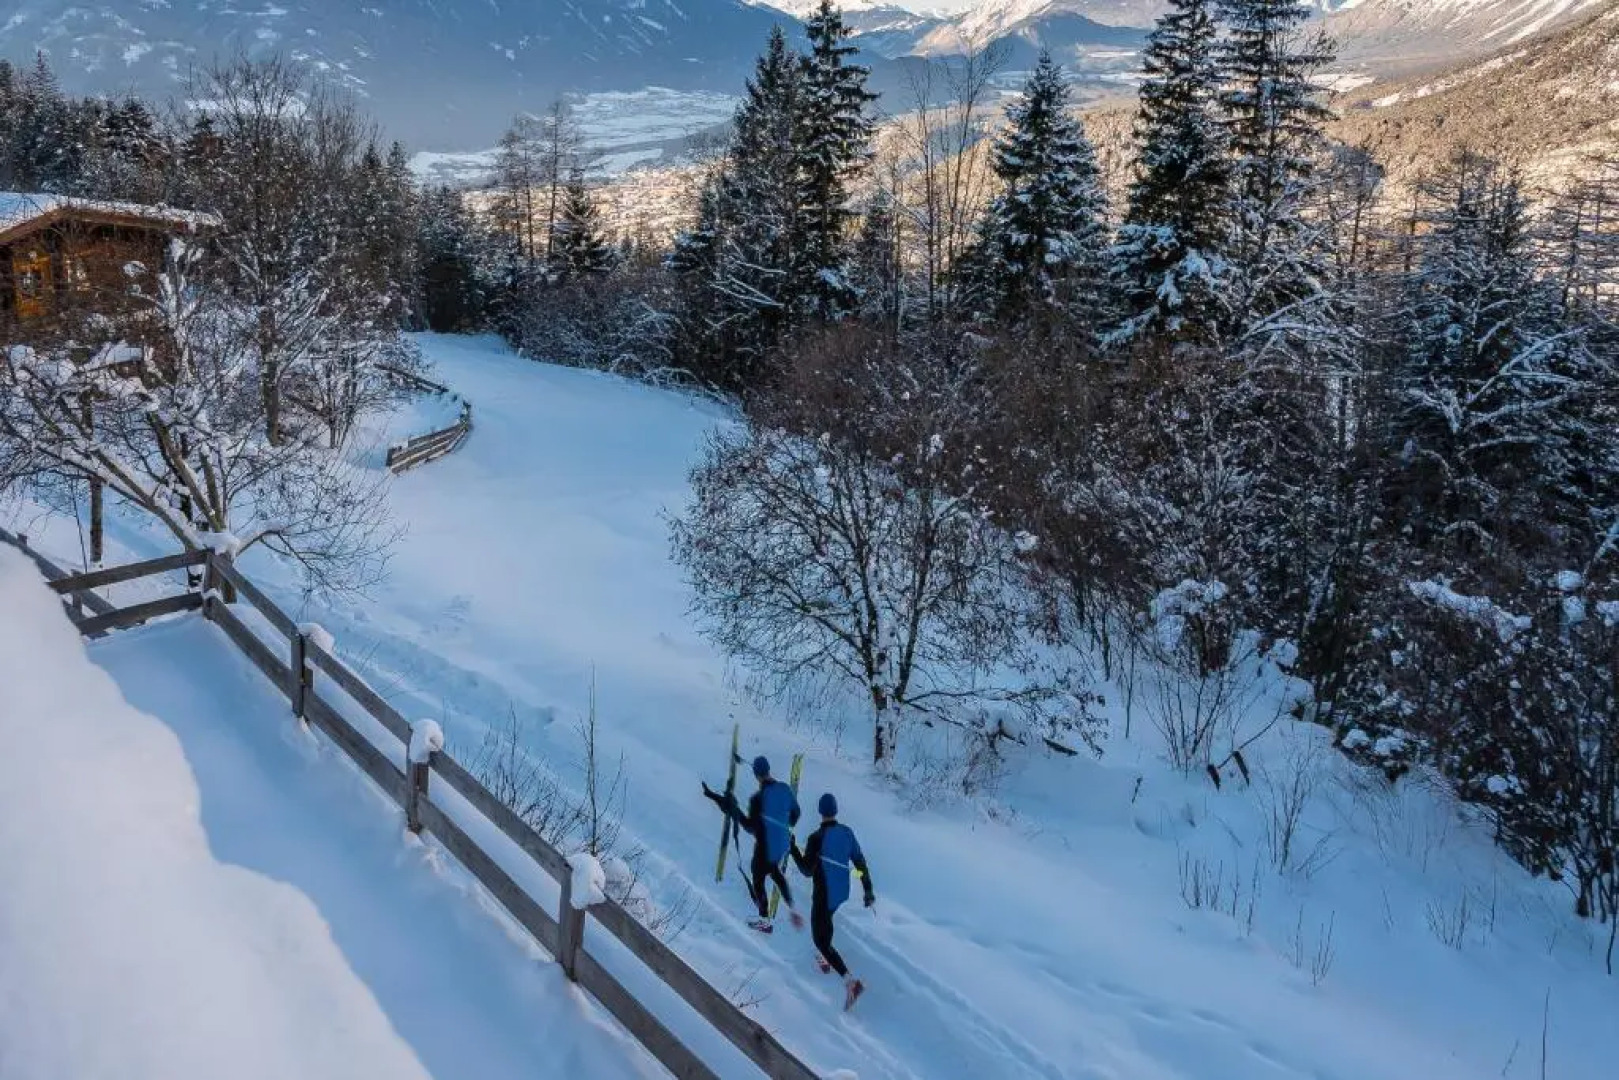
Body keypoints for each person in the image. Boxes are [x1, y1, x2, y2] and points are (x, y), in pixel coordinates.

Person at [702, 755, 804, 933]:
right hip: (780, 845)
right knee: (774, 871)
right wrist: (785, 825)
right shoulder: (784, 789)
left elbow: (750, 827)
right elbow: (796, 813)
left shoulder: (757, 799)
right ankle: (792, 907)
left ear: (756, 775)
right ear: (769, 770)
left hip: (765, 846)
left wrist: (736, 811)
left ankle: (765, 920)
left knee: (758, 879)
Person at [791, 793, 874, 1010]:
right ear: (835, 810)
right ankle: (825, 958)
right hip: (840, 894)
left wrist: (792, 848)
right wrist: (868, 891)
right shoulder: (847, 833)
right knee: (825, 923)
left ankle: (851, 983)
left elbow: (806, 871)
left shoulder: (815, 838)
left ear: (820, 811)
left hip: (824, 895)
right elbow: (859, 863)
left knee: (820, 939)